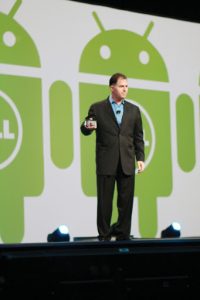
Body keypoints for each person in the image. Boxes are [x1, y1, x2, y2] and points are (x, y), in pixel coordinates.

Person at [80, 73, 145, 241]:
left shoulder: (134, 110)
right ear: (112, 88)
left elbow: (138, 137)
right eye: (121, 86)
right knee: (104, 203)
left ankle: (123, 234)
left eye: (126, 86)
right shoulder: (98, 108)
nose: (125, 89)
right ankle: (104, 235)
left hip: (127, 161)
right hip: (106, 161)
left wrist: (140, 158)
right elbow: (86, 128)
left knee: (126, 203)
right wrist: (87, 126)